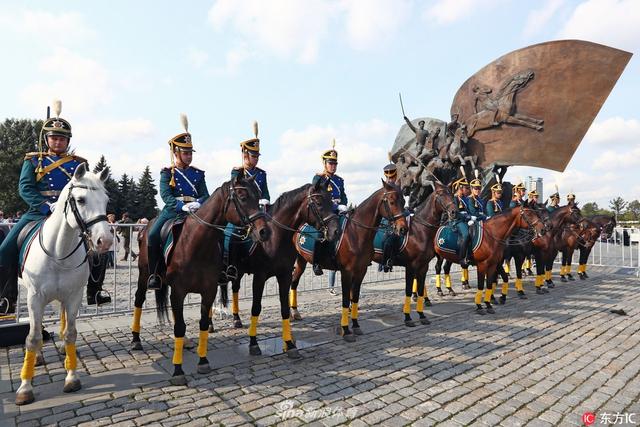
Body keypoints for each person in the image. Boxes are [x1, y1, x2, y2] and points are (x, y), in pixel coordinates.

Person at [0, 100, 111, 313]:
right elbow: (25, 188)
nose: (58, 142)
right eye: (54, 138)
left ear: (68, 141)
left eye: (62, 138)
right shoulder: (33, 160)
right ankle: (7, 297)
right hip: (38, 213)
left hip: (71, 214)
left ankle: (95, 291)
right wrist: (45, 206)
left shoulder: (78, 163)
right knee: (5, 250)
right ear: (47, 139)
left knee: (99, 248)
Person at [146, 114, 209, 291]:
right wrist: (182, 206)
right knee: (152, 235)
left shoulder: (198, 174)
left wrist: (198, 203)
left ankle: (218, 268)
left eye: (190, 153)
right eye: (185, 153)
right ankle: (154, 274)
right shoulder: (167, 173)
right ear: (176, 153)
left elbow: (206, 194)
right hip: (173, 211)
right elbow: (165, 195)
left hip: (195, 211)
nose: (189, 156)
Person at [223, 121, 270, 280]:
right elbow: (236, 194)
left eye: (257, 156)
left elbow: (266, 193)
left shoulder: (262, 174)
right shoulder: (237, 173)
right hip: (243, 212)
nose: (256, 159)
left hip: (258, 211)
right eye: (253, 155)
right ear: (245, 155)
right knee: (233, 233)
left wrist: (265, 200)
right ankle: (231, 265)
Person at [311, 139, 347, 278]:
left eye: (335, 163)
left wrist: (342, 204)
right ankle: (317, 262)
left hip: (338, 210)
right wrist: (334, 205)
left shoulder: (339, 180)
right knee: (321, 233)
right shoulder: (318, 178)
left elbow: (343, 196)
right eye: (330, 163)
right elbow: (316, 196)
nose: (333, 166)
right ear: (324, 164)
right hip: (324, 212)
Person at [379, 162, 401, 272]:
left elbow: (400, 204)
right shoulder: (384, 190)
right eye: (387, 177)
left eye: (391, 177)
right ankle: (385, 261)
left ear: (395, 176)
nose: (389, 179)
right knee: (385, 241)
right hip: (386, 219)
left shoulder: (397, 188)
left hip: (398, 217)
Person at [451, 176, 475, 265]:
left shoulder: (465, 198)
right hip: (457, 221)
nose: (468, 190)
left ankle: (471, 255)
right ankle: (462, 258)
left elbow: (468, 210)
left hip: (465, 219)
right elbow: (455, 213)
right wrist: (467, 218)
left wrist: (471, 216)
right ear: (460, 188)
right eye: (466, 188)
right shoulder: (454, 198)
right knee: (466, 234)